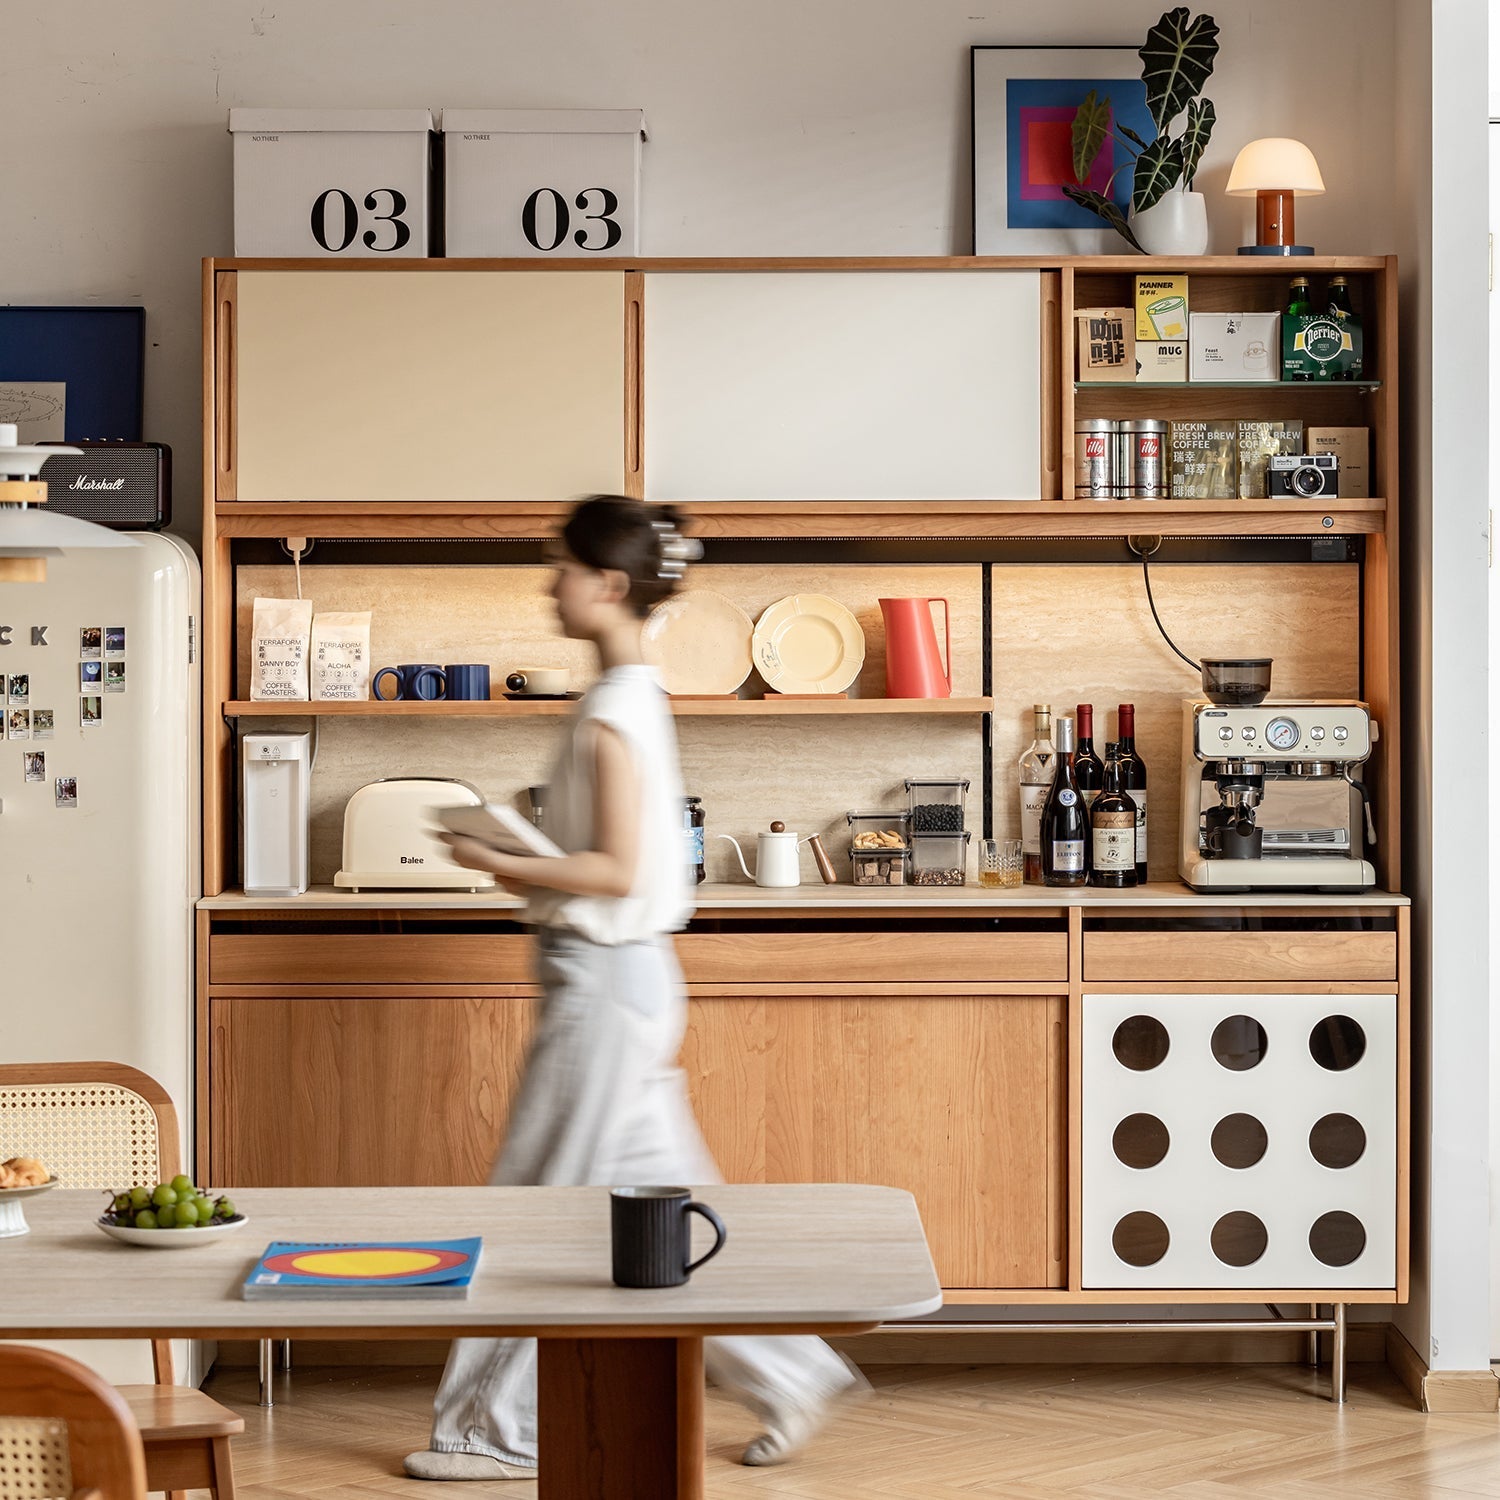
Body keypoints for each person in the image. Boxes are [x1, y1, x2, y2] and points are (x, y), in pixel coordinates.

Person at [404, 495, 864, 1484]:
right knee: (669, 1213)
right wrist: (530, 831)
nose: (547, 585)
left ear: (607, 585)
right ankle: (791, 1373)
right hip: (632, 981)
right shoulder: (628, 696)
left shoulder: (611, 711)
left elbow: (612, 871)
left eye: (559, 568)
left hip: (601, 987)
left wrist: (497, 856)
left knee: (534, 1203)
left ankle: (491, 1431)